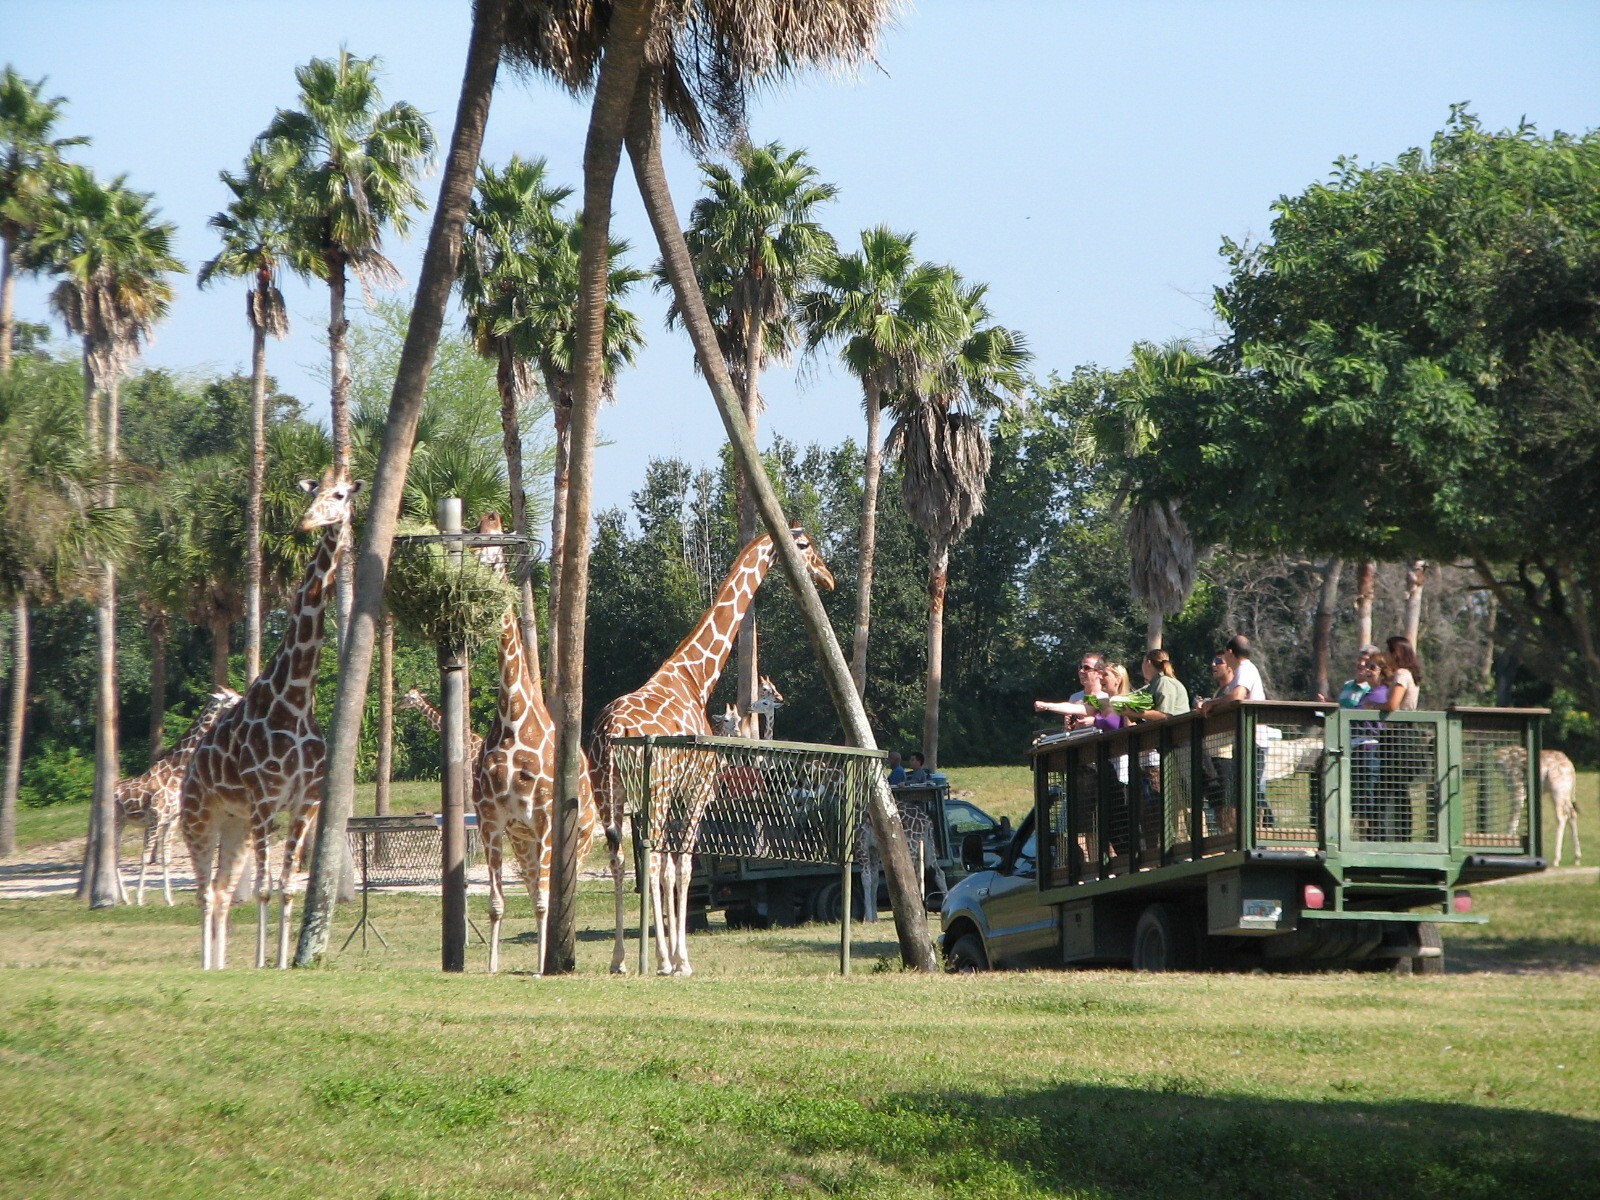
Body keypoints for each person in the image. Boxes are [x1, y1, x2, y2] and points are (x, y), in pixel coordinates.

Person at [1034, 652, 1107, 731]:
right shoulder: (1075, 697)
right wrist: (1069, 726)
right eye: (1080, 667)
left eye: (1087, 668)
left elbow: (1115, 721)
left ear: (1099, 673)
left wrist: (1095, 721)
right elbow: (1070, 728)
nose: (1081, 671)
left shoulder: (1107, 696)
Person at [1121, 649, 1191, 723]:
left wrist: (1133, 712)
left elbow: (1164, 716)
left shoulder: (1164, 682)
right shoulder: (1152, 686)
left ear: (1148, 663)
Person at [1384, 636, 1422, 711]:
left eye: (1386, 651)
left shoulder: (1402, 674)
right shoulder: (1407, 673)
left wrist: (1372, 705)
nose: (1384, 655)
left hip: (1400, 721)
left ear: (1395, 654)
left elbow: (1392, 706)